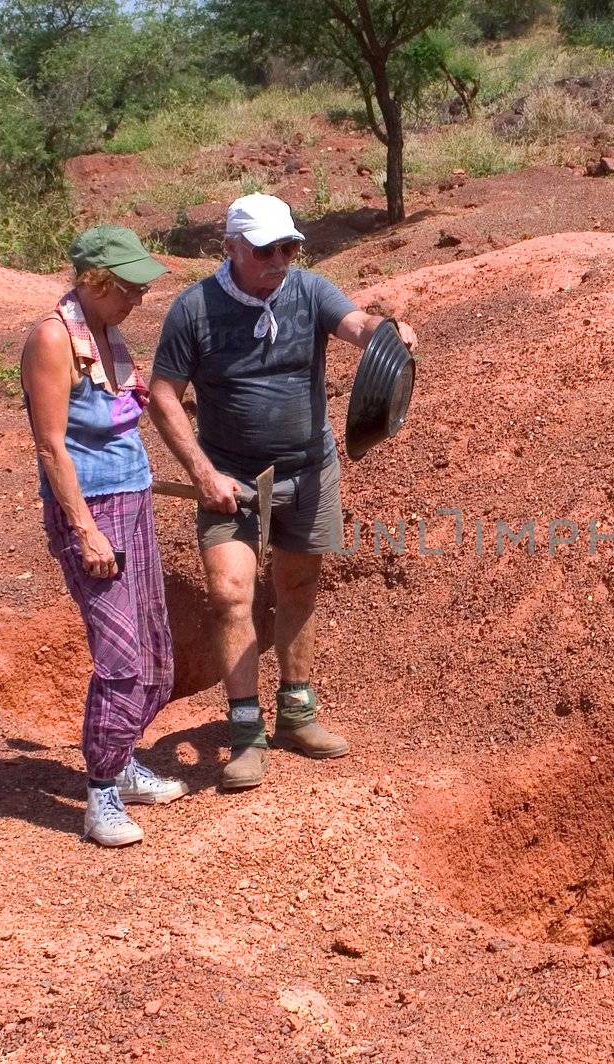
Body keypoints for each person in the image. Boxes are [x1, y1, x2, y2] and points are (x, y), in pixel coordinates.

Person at [147, 194, 416, 791]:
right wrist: (202, 474)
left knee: (298, 585)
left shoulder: (310, 290)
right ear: (233, 249)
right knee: (228, 596)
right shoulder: (194, 310)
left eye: (289, 247)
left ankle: (296, 714)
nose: (280, 259)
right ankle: (246, 733)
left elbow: (356, 326)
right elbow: (162, 393)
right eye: (267, 250)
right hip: (231, 481)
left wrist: (387, 334)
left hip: (311, 468)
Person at [21, 224, 187, 846]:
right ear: (95, 282)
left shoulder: (108, 338)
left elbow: (119, 419)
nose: (138, 299)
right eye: (127, 288)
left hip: (133, 500)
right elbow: (50, 445)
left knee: (154, 648)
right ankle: (100, 795)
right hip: (90, 511)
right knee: (120, 656)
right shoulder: (52, 340)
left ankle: (121, 759)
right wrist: (86, 531)